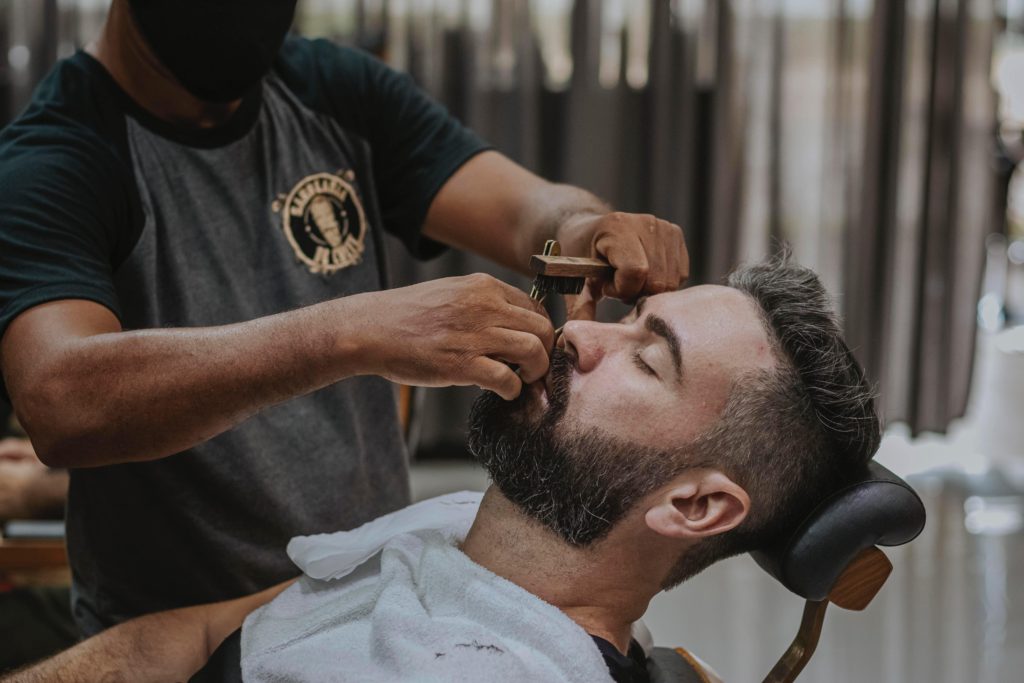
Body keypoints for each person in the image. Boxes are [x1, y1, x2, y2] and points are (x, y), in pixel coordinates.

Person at [0, 0, 688, 635]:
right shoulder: (60, 159)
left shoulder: (327, 88)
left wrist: (584, 225)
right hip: (184, 634)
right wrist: (351, 333)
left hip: (367, 601)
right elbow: (64, 398)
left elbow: (527, 212)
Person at [1, 257, 879, 683]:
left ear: (694, 504)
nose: (576, 333)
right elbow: (198, 639)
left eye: (649, 361)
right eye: (627, 316)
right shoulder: (455, 530)